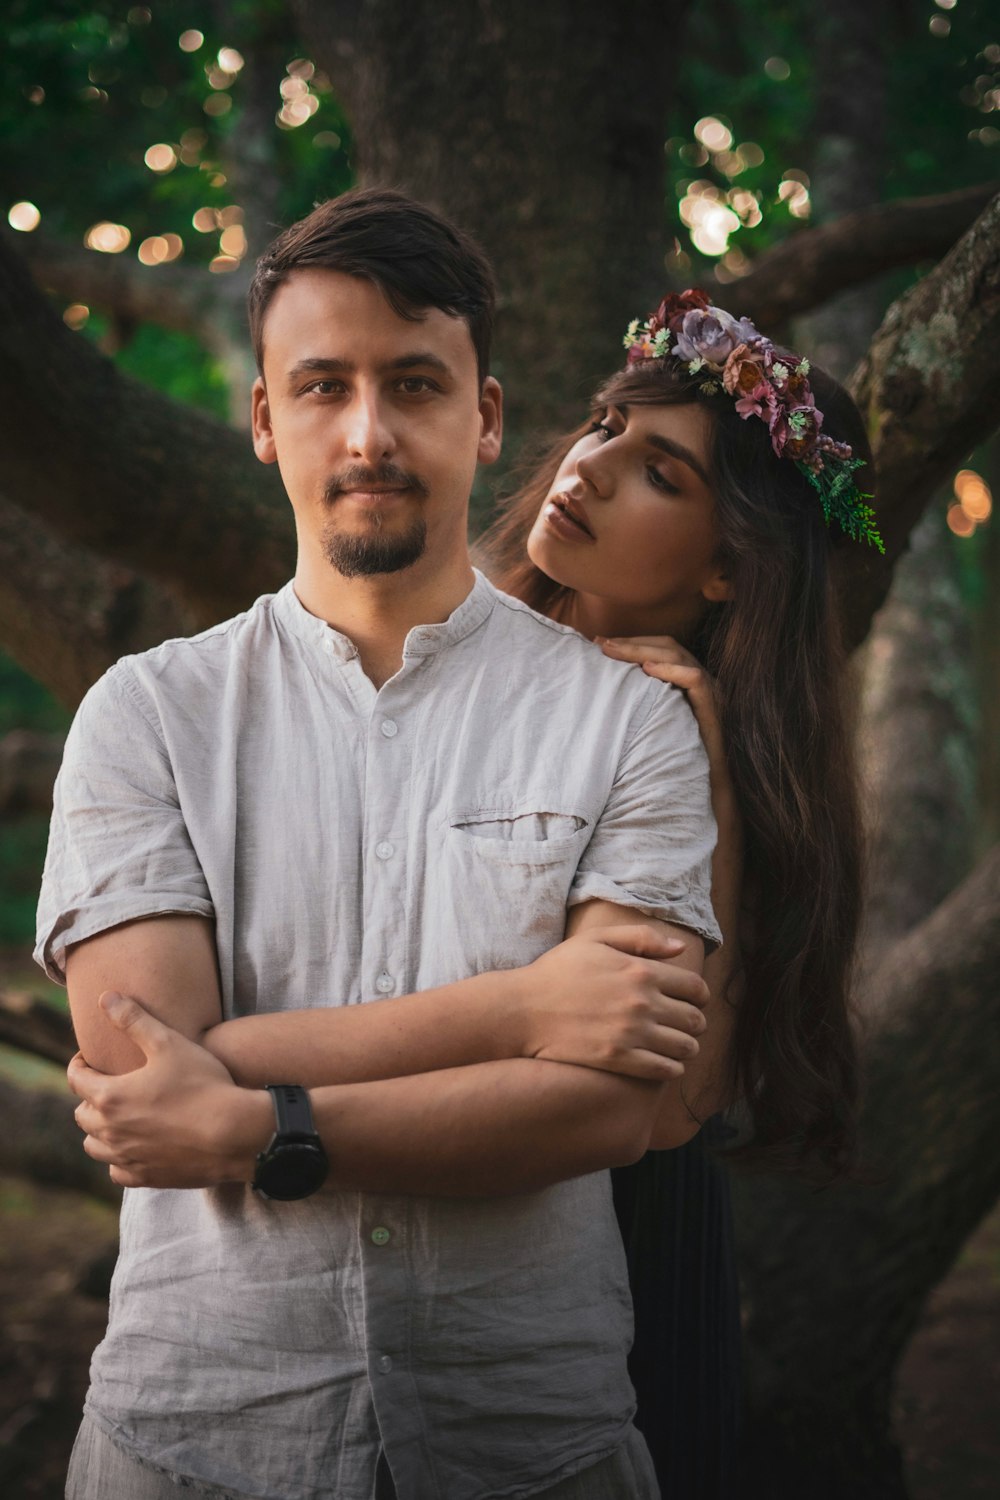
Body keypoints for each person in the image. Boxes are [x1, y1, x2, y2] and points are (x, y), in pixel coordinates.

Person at [39, 191, 726, 1500]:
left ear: (486, 417)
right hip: (195, 1439)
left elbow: (615, 1104)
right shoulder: (149, 713)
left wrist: (249, 1122)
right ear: (262, 420)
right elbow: (138, 1069)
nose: (369, 433)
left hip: (531, 1445)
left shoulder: (628, 721)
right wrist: (528, 1008)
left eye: (414, 384)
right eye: (321, 387)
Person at [479, 286, 875, 1494]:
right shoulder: (443, 657)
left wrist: (702, 779)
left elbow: (684, 1098)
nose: (588, 468)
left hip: (630, 1239)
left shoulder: (716, 756)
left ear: (725, 573)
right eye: (604, 425)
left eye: (660, 472)